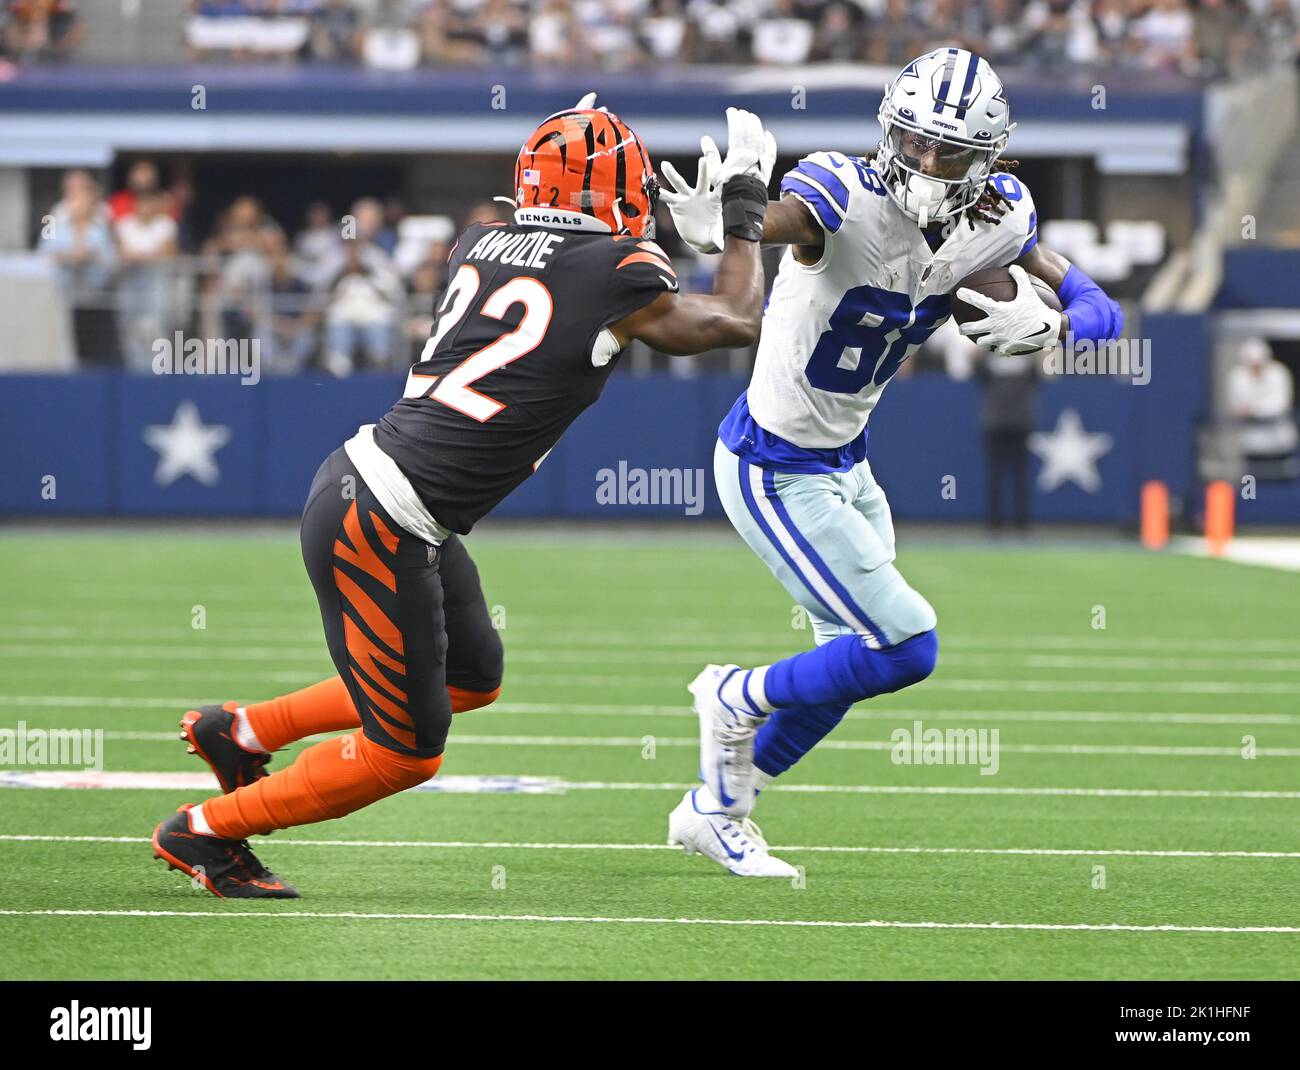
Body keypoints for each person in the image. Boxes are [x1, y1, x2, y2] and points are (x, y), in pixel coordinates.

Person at [151, 100, 777, 898]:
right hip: (383, 516)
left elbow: (571, 268)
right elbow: (730, 319)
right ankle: (205, 832)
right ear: (615, 191)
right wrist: (743, 216)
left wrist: (648, 236)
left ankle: (240, 731)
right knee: (407, 751)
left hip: (384, 496)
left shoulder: (478, 242)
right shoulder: (614, 272)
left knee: (472, 677)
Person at [661, 47, 1124, 876]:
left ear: (988, 158)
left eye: (947, 151)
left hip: (846, 464)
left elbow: (1097, 302)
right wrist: (731, 221)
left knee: (849, 665)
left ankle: (718, 808)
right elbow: (783, 219)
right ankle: (732, 696)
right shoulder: (845, 192)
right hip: (774, 464)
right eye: (911, 141)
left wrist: (1065, 329)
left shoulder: (997, 216)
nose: (923, 162)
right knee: (906, 645)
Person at [978, 349, 1039, 531]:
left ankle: (1020, 520)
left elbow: (1036, 378)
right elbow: (979, 374)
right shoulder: (990, 351)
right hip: (998, 421)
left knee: (1018, 474)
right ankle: (996, 521)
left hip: (1017, 420)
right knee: (997, 474)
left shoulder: (1028, 350)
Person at [1227, 337, 1298, 467]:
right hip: (1252, 445)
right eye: (1252, 364)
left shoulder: (1279, 373)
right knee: (1252, 483)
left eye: (1259, 364)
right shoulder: (1237, 377)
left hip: (1280, 443)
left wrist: (1253, 409)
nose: (1256, 368)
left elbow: (1279, 406)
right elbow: (1237, 407)